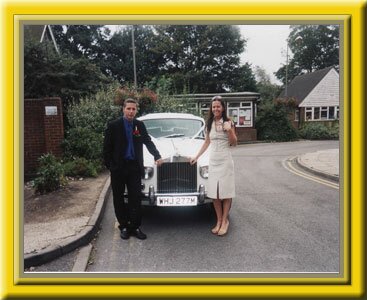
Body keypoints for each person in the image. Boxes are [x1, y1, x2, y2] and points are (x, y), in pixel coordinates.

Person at [103, 98, 163, 240]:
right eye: (128, 108)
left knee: (135, 197)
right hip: (118, 167)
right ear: (123, 109)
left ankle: (135, 227)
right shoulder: (114, 125)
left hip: (134, 167)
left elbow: (148, 141)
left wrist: (157, 156)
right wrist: (111, 167)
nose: (131, 111)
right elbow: (106, 148)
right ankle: (123, 226)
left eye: (133, 109)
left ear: (136, 110)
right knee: (118, 198)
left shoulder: (139, 125)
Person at [190, 95, 237, 236]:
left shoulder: (229, 122)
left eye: (218, 106)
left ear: (223, 108)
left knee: (226, 192)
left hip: (225, 160)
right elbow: (206, 142)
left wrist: (229, 130)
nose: (216, 108)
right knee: (215, 194)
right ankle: (219, 220)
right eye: (214, 106)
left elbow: (234, 143)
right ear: (211, 108)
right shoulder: (209, 123)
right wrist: (196, 157)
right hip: (214, 161)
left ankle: (225, 221)